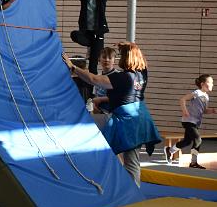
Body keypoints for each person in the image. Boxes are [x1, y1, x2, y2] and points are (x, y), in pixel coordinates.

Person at [64, 42, 160, 185]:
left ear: (124, 59)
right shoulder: (142, 73)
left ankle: (131, 188)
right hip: (141, 118)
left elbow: (93, 79)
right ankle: (131, 186)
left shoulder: (122, 77)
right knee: (132, 158)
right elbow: (142, 59)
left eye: (120, 55)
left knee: (129, 158)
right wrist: (131, 46)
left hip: (127, 120)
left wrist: (73, 67)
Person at [165, 74, 217, 169]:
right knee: (198, 139)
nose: (212, 84)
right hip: (189, 121)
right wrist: (184, 111)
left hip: (195, 123)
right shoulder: (197, 92)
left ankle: (170, 150)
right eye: (210, 82)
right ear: (202, 84)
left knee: (187, 141)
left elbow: (204, 110)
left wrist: (211, 111)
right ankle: (193, 163)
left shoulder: (206, 97)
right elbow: (182, 99)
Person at [71, 0, 109, 74]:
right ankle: (92, 46)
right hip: (87, 33)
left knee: (93, 66)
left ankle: (92, 85)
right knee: (74, 34)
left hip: (98, 34)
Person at [90, 46, 120, 127]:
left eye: (110, 58)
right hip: (99, 113)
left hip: (114, 114)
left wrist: (100, 99)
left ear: (114, 61)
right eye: (104, 57)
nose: (106, 60)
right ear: (99, 59)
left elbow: (120, 96)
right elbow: (95, 95)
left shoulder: (119, 76)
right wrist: (94, 106)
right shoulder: (98, 76)